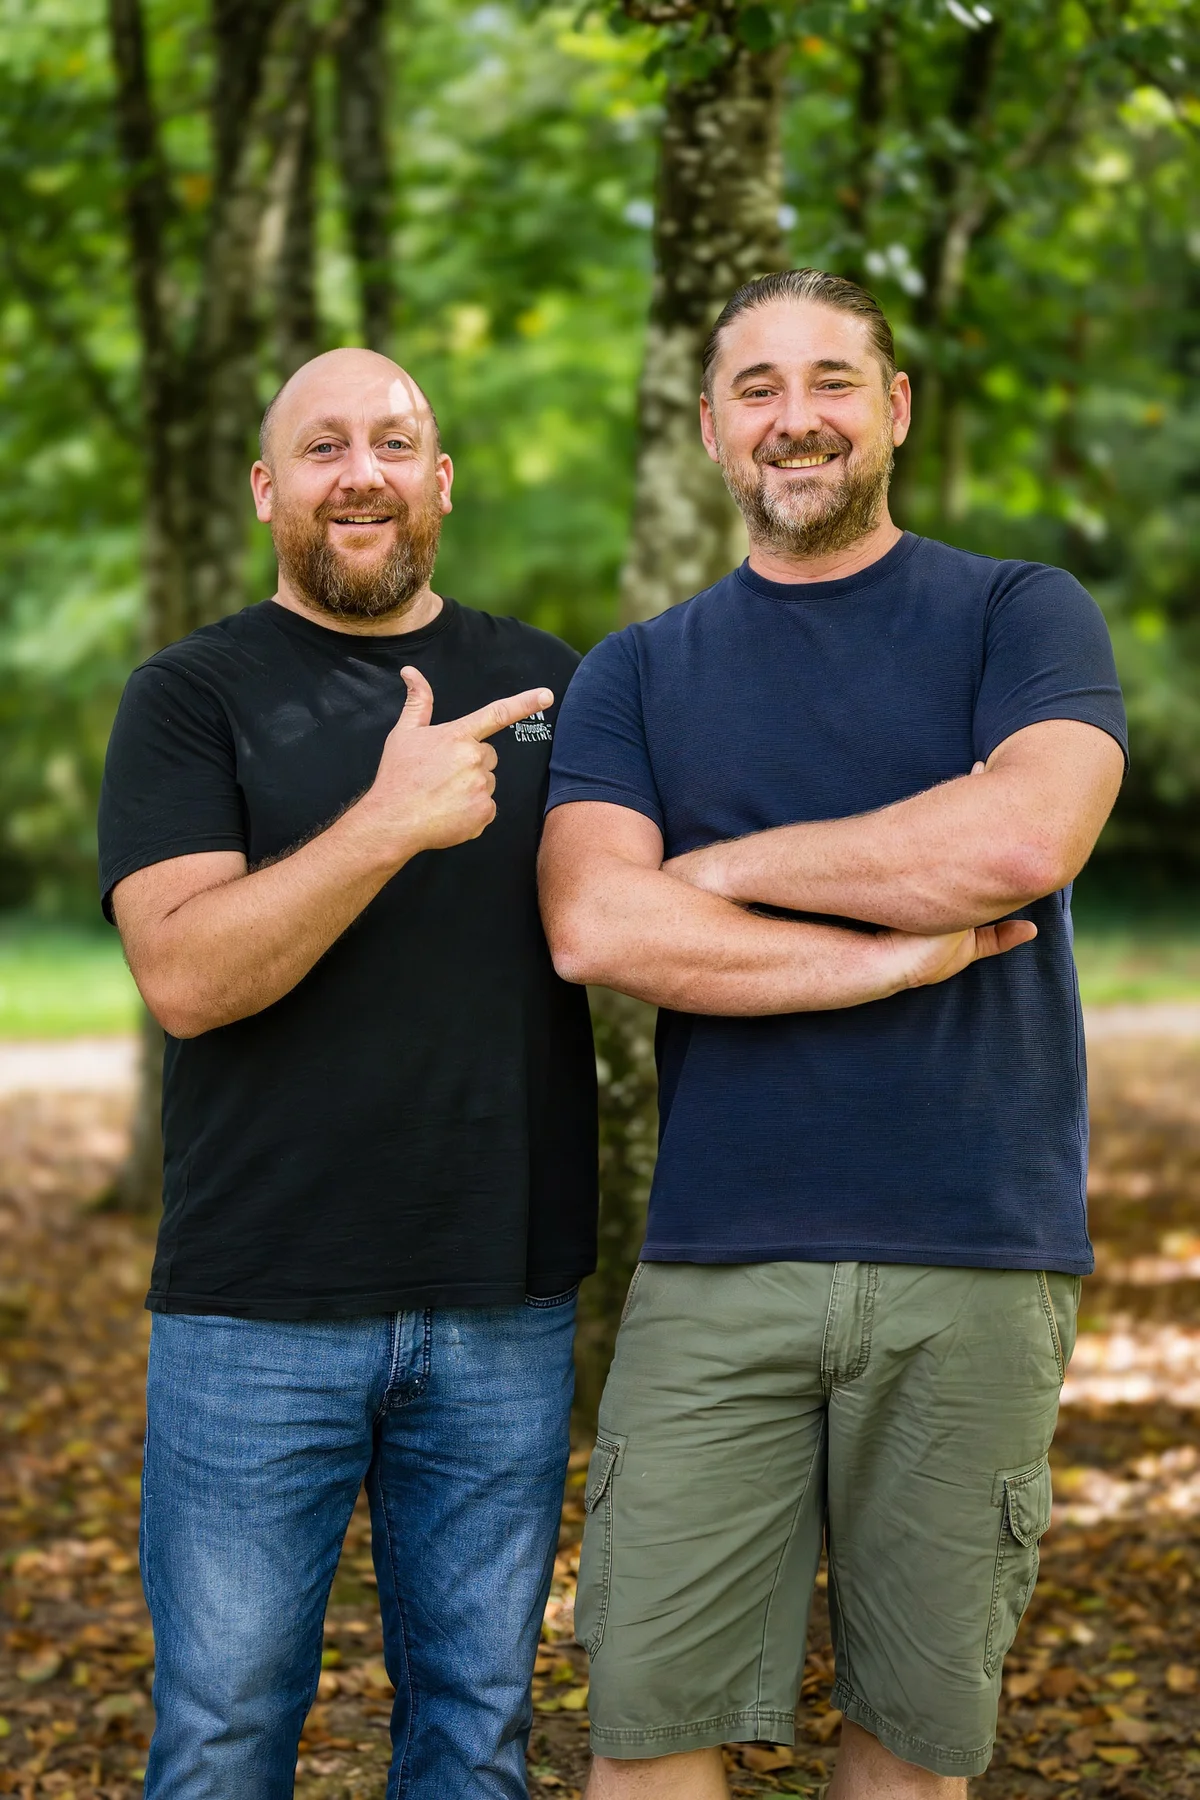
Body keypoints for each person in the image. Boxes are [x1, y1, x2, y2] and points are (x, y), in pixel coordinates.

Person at [539, 269, 1126, 1800]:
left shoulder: (1021, 612)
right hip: (720, 1260)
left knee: (912, 1758)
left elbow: (1018, 844)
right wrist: (888, 960)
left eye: (833, 382)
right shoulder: (637, 672)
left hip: (977, 1257)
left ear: (896, 408)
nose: (796, 419)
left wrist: (721, 872)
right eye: (757, 389)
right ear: (711, 430)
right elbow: (599, 928)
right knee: (648, 1736)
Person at [98, 347, 598, 1800]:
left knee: (475, 1735)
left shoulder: (551, 684)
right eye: (323, 448)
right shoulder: (190, 696)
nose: (362, 472)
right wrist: (387, 822)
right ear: (268, 490)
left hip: (503, 1300)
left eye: (394, 442)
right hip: (259, 1309)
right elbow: (186, 978)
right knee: (222, 1736)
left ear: (442, 481)